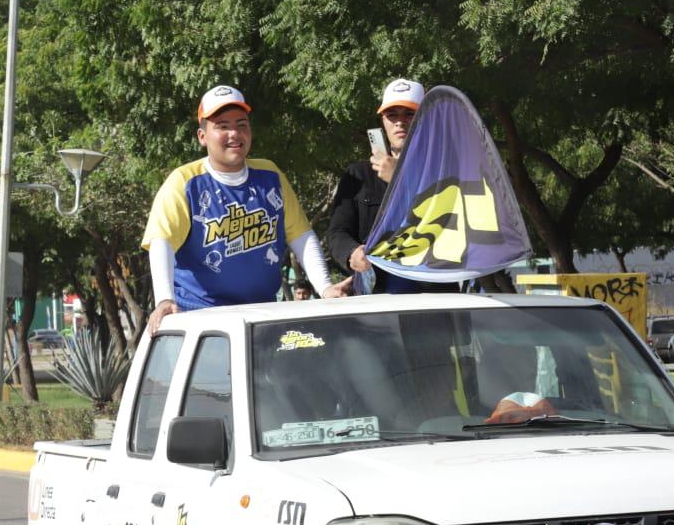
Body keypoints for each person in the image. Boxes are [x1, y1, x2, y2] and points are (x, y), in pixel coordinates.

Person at [144, 84, 349, 334]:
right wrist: (165, 299)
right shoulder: (185, 181)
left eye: (241, 124)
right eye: (222, 125)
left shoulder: (270, 174)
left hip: (261, 316)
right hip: (200, 320)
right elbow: (161, 241)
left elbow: (301, 235)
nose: (234, 133)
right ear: (202, 136)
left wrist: (325, 287)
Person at [326, 78, 452, 294]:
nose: (400, 122)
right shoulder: (358, 174)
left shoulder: (447, 170)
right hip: (376, 299)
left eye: (410, 113)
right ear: (382, 121)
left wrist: (401, 179)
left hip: (435, 298)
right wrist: (352, 254)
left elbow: (457, 230)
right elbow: (337, 232)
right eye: (392, 115)